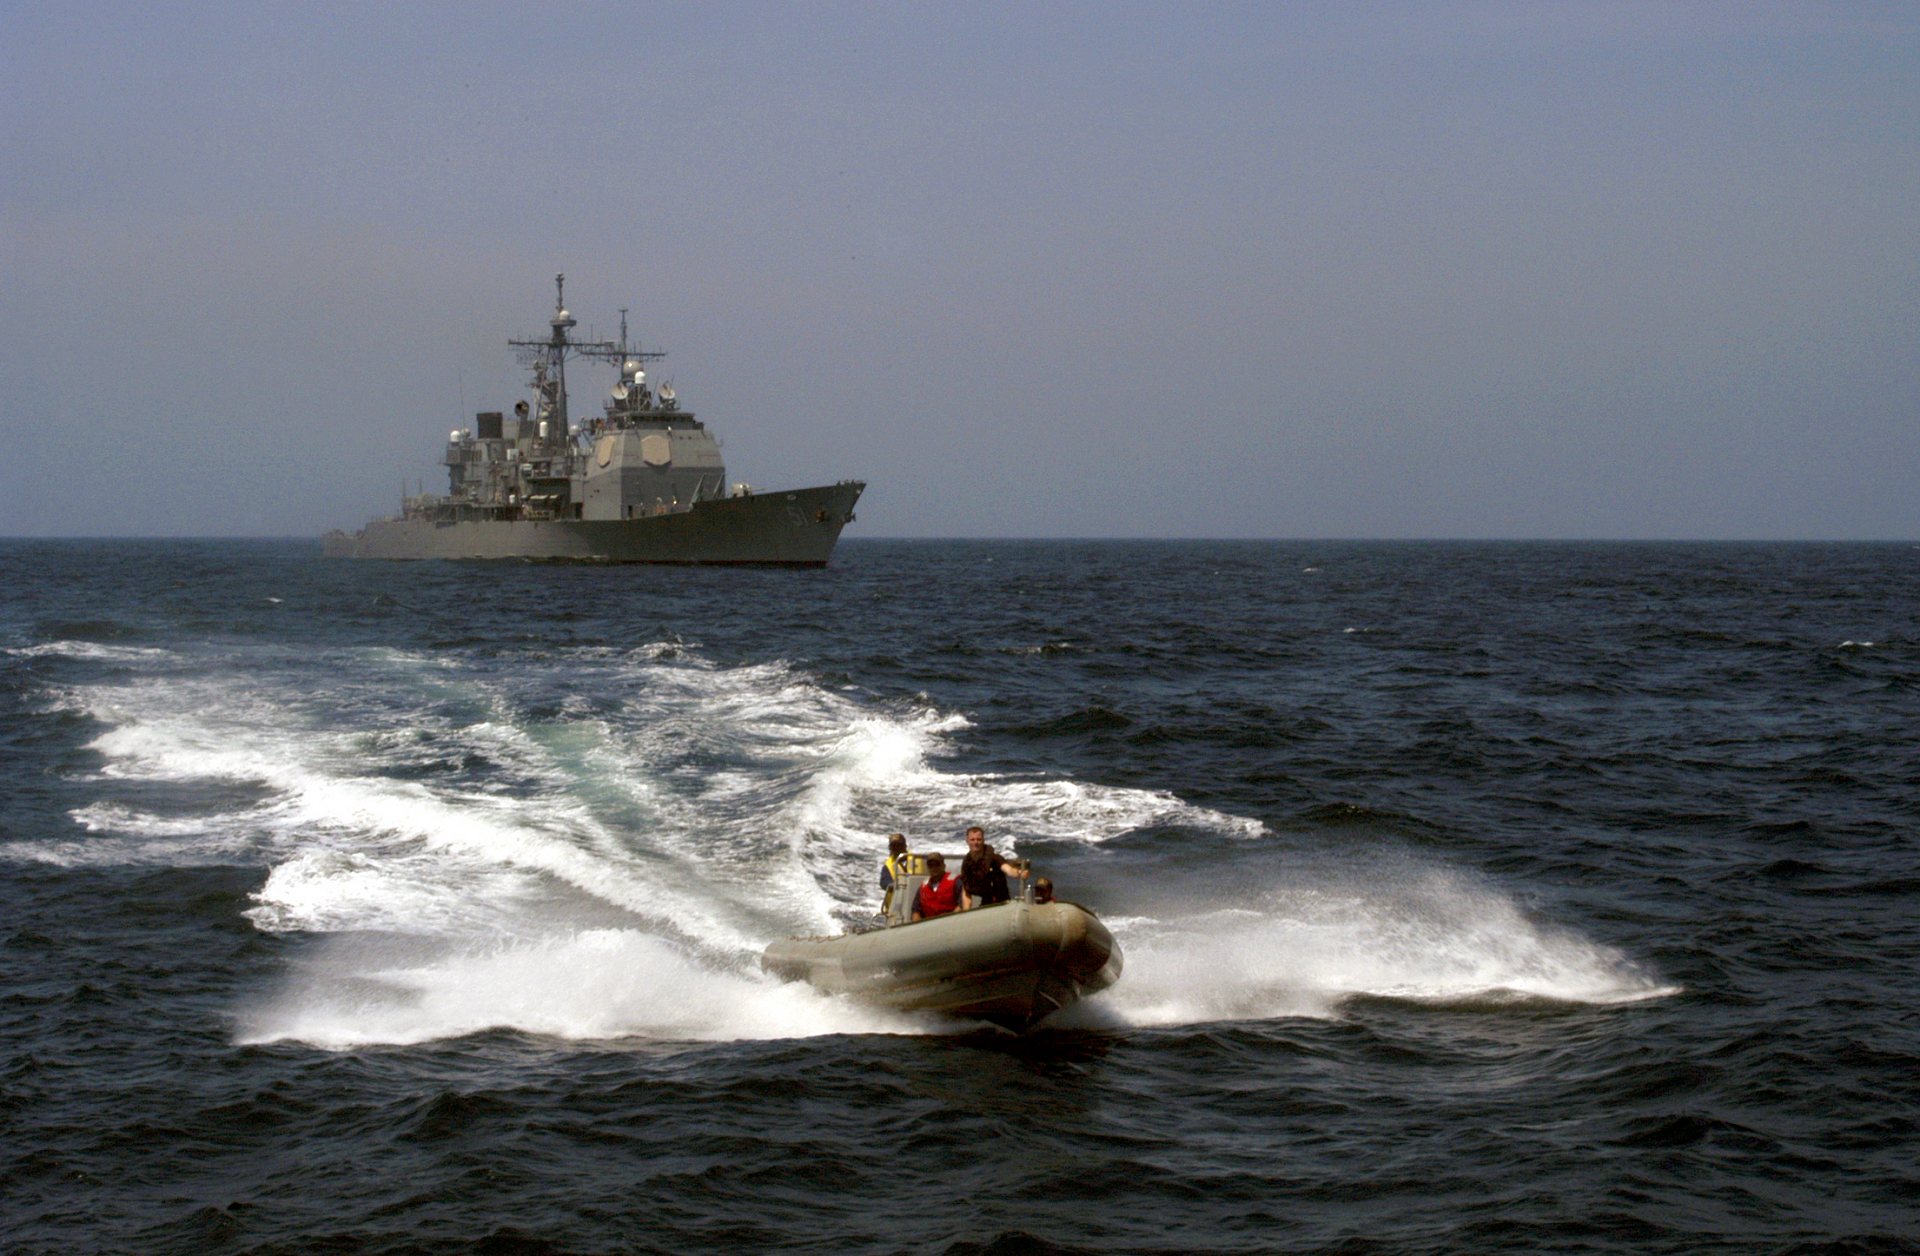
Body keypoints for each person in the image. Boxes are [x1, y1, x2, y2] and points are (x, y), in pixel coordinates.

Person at [959, 825, 1027, 908]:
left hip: (1002, 902)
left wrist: (1019, 873)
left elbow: (1008, 870)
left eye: (979, 839)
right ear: (967, 841)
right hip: (986, 902)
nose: (976, 842)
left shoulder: (995, 858)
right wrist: (966, 912)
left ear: (983, 840)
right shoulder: (967, 864)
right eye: (972, 840)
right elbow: (966, 890)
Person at [912, 853, 968, 920]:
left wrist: (950, 921)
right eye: (931, 865)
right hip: (929, 925)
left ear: (944, 866)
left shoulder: (955, 882)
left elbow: (962, 904)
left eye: (937, 864)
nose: (934, 868)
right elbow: (915, 910)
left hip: (951, 922)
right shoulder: (923, 887)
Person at [878, 833, 911, 915]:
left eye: (899, 845)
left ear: (905, 846)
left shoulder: (917, 859)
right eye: (893, 845)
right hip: (897, 906)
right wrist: (893, 885)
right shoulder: (887, 867)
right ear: (890, 848)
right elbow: (884, 882)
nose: (896, 848)